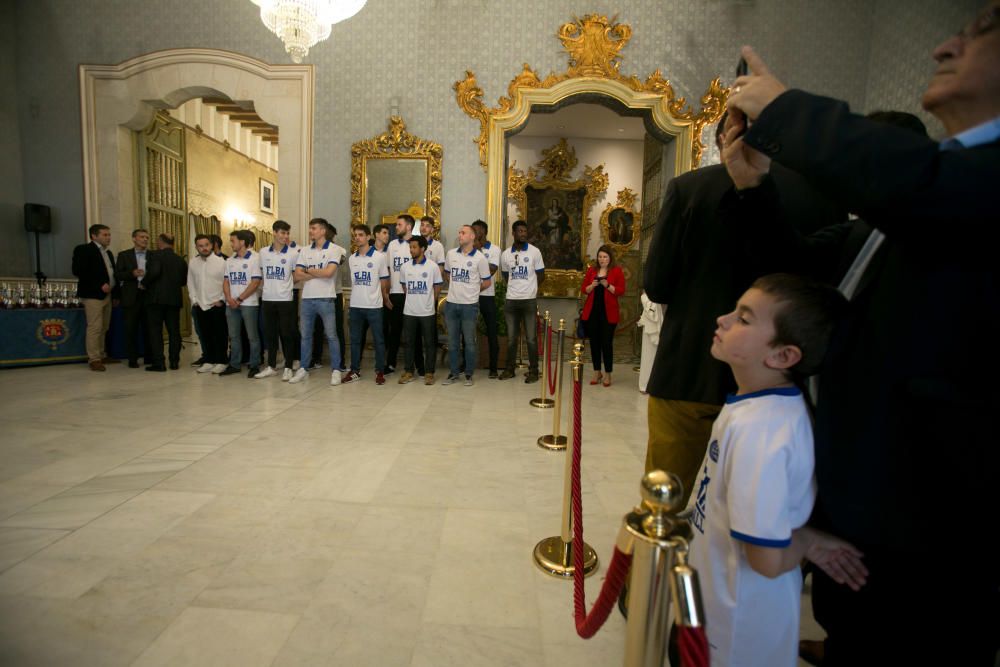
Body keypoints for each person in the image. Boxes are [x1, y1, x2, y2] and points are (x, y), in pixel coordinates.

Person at [721, 11, 1000, 662]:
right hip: (867, 499)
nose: (944, 44)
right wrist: (752, 184)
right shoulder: (888, 222)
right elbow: (793, 284)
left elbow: (935, 185)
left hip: (937, 523)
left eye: (979, 33)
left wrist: (788, 112)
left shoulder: (962, 190)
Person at [642, 106, 843, 507]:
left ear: (721, 141)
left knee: (664, 505)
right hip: (776, 379)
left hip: (689, 370)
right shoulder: (820, 196)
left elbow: (657, 285)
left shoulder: (689, 189)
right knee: (754, 506)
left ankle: (661, 570)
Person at [687, 273, 864, 667]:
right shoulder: (755, 410)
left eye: (744, 318)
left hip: (737, 630)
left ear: (783, 356)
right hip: (715, 606)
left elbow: (765, 560)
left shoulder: (763, 433)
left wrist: (808, 543)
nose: (722, 319)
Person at [289, 218, 345, 385]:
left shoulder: (334, 250)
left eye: (313, 228)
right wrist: (316, 272)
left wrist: (308, 270)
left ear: (323, 231)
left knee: (332, 335)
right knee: (305, 336)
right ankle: (304, 369)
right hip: (307, 299)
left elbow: (329, 273)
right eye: (310, 228)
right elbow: (297, 275)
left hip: (326, 298)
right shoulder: (305, 250)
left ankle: (336, 369)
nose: (310, 231)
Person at [442, 224, 492, 386]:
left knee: (470, 342)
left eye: (463, 233)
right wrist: (457, 287)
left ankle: (469, 374)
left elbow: (487, 282)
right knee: (453, 341)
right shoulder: (451, 254)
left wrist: (472, 290)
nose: (460, 235)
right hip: (451, 304)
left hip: (469, 306)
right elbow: (447, 273)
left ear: (472, 237)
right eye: (459, 233)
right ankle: (454, 373)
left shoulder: (480, 258)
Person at [499, 219, 545, 383]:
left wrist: (530, 288)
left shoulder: (534, 252)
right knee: (512, 339)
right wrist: (516, 287)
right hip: (511, 301)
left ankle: (533, 371)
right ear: (513, 233)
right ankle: (509, 369)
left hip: (529, 302)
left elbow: (541, 275)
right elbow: (506, 276)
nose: (523, 234)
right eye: (520, 231)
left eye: (525, 231)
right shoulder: (505, 254)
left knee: (531, 339)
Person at [344, 224, 389, 385]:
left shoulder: (379, 257)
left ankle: (380, 371)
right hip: (356, 305)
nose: (357, 237)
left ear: (369, 237)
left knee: (379, 340)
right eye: (355, 235)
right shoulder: (351, 258)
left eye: (361, 235)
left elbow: (384, 281)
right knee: (355, 340)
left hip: (374, 306)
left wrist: (385, 299)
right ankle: (355, 370)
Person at [72, 223, 119, 371]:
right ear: (94, 236)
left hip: (108, 295)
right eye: (105, 235)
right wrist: (99, 284)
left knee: (104, 326)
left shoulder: (108, 253)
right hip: (93, 295)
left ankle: (102, 353)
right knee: (95, 327)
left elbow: (112, 274)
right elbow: (79, 271)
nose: (108, 237)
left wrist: (115, 292)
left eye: (109, 235)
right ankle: (94, 359)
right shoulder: (84, 250)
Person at [256, 219, 300, 380]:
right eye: (282, 232)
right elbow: (261, 274)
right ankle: (271, 366)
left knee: (287, 333)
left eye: (287, 233)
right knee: (270, 334)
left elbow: (296, 276)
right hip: (267, 298)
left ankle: (288, 366)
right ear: (274, 232)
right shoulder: (263, 252)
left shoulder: (293, 253)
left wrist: (285, 285)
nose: (285, 236)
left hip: (286, 299)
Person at [399, 234, 443, 385]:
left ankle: (429, 373)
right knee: (409, 342)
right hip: (409, 311)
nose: (411, 250)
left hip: (427, 312)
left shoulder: (432, 266)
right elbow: (405, 287)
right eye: (410, 247)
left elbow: (437, 286)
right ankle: (408, 371)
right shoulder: (405, 267)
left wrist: (431, 300)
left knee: (430, 343)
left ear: (422, 248)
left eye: (414, 247)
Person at [219, 230, 262, 378]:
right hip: (231, 304)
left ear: (242, 242)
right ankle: (234, 364)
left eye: (233, 241)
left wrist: (239, 299)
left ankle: (255, 364)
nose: (231, 244)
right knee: (234, 336)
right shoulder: (230, 260)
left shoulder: (255, 258)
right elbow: (226, 281)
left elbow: (255, 282)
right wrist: (229, 298)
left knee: (252, 336)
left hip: (249, 303)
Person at [580, 245, 625, 387]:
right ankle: (596, 372)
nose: (602, 259)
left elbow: (621, 290)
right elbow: (584, 289)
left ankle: (608, 374)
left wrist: (608, 285)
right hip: (592, 313)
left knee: (607, 344)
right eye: (600, 256)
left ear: (610, 258)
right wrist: (592, 286)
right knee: (594, 344)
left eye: (605, 257)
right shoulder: (591, 271)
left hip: (608, 314)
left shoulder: (617, 271)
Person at [142, 234, 187, 371]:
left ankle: (159, 363)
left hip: (156, 299)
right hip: (173, 299)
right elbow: (183, 281)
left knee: (155, 331)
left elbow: (154, 272)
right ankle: (174, 362)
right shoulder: (180, 260)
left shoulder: (155, 256)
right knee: (174, 331)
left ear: (160, 242)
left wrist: (144, 283)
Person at [188, 233, 228, 374]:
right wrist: (194, 300)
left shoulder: (221, 262)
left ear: (211, 245)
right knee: (205, 335)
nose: (204, 248)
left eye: (206, 245)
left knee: (220, 334)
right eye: (201, 246)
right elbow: (191, 282)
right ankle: (208, 360)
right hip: (200, 304)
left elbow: (226, 283)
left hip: (216, 304)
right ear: (196, 247)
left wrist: (222, 299)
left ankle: (221, 361)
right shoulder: (193, 262)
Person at [114, 228, 151, 368]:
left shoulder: (152, 255)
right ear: (134, 238)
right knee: (131, 328)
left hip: (148, 295)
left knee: (149, 328)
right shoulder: (124, 255)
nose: (145, 239)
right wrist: (132, 273)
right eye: (142, 237)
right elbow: (118, 274)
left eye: (147, 237)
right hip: (131, 296)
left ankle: (149, 356)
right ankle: (132, 358)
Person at [386, 214, 417, 375]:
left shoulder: (416, 244)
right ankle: (390, 364)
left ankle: (414, 365)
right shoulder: (392, 245)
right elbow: (389, 269)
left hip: (413, 295)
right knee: (394, 331)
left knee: (413, 333)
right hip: (396, 293)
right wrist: (387, 294)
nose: (396, 227)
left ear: (409, 227)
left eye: (399, 224)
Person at [471, 219, 500, 378]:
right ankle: (466, 364)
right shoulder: (469, 249)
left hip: (487, 295)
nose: (474, 233)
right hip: (470, 296)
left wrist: (478, 253)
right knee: (467, 329)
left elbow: (490, 271)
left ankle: (494, 367)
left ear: (483, 231)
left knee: (491, 331)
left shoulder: (494, 249)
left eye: (476, 230)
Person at [636, 290, 664, 394]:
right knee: (649, 355)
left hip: (667, 316)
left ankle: (659, 384)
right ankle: (645, 385)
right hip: (652, 318)